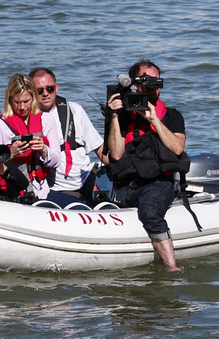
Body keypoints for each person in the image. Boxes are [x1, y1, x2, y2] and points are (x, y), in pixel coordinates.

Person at [103, 59, 189, 270]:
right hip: (127, 186)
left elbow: (177, 148)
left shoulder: (172, 116)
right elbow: (115, 154)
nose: (151, 88)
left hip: (159, 183)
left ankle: (172, 269)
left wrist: (154, 120)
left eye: (155, 82)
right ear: (135, 85)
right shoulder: (122, 117)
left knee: (150, 210)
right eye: (145, 81)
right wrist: (113, 116)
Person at [28, 67, 101, 204]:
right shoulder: (29, 118)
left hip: (86, 177)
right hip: (58, 187)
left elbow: (98, 147)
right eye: (39, 90)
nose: (45, 94)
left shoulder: (75, 110)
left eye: (49, 89)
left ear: (56, 88)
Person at [0, 75, 55, 199]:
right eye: (17, 102)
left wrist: (44, 149)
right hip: (13, 191)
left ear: (33, 97)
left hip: (42, 190)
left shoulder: (47, 119)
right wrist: (9, 154)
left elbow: (57, 161)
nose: (22, 107)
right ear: (9, 100)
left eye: (26, 101)